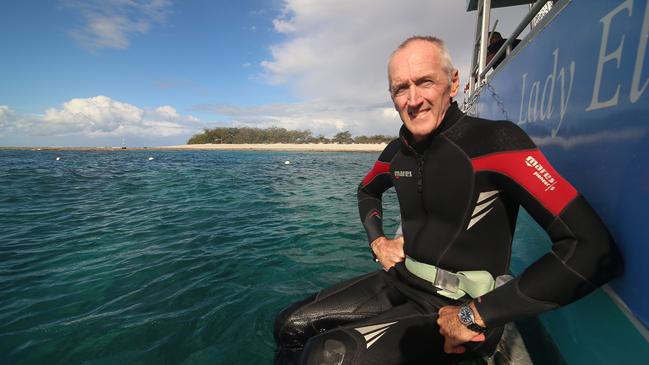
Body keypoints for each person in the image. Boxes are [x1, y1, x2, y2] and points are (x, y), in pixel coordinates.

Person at [273, 36, 622, 365]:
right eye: (401, 88)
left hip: (466, 307)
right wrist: (377, 240)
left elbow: (592, 249)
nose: (413, 99)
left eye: (425, 82)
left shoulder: (496, 142)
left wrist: (476, 315)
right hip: (401, 279)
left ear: (453, 83)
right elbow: (367, 191)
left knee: (327, 355)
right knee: (289, 325)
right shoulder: (396, 152)